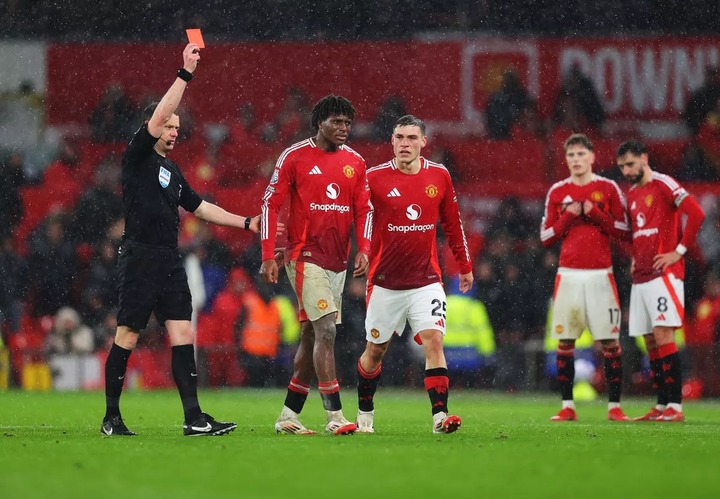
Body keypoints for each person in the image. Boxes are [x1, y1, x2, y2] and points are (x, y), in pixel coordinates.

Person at [101, 43, 265, 437]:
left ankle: (194, 418)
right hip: (139, 256)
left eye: (177, 128)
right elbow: (158, 115)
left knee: (182, 333)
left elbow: (201, 207)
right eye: (169, 127)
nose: (174, 132)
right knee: (128, 334)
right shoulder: (136, 156)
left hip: (169, 260)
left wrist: (246, 223)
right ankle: (111, 417)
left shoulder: (171, 171)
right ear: (153, 127)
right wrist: (186, 72)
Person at [354, 115, 473, 434]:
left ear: (424, 142)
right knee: (375, 352)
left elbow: (452, 223)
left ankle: (439, 417)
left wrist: (464, 265)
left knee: (434, 341)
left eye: (411, 138)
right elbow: (361, 217)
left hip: (426, 281)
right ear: (391, 142)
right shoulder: (374, 178)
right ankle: (365, 413)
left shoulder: (440, 176)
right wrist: (364, 250)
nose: (405, 144)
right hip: (384, 283)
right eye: (399, 138)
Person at [260, 94, 372, 436]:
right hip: (304, 257)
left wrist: (363, 248)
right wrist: (268, 254)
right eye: (336, 122)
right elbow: (270, 204)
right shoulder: (294, 156)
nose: (343, 128)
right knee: (327, 330)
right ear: (319, 122)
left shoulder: (356, 161)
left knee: (311, 336)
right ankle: (334, 415)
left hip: (337, 261)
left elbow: (364, 209)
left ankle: (288, 416)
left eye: (347, 123)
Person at [540, 133, 631, 422]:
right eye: (571, 155)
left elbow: (623, 230)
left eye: (581, 155)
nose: (576, 160)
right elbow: (545, 237)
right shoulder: (557, 191)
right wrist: (567, 217)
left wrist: (596, 214)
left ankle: (614, 406)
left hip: (600, 276)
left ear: (592, 157)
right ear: (566, 159)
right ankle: (568, 406)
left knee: (610, 343)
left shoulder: (607, 188)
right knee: (565, 341)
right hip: (568, 275)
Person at [617, 139, 706, 422]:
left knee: (664, 334)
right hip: (641, 276)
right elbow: (637, 234)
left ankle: (676, 407)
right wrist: (634, 257)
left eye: (630, 163)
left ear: (644, 158)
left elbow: (696, 212)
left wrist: (678, 252)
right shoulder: (631, 193)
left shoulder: (664, 183)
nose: (627, 170)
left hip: (663, 274)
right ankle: (661, 404)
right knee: (650, 340)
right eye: (622, 167)